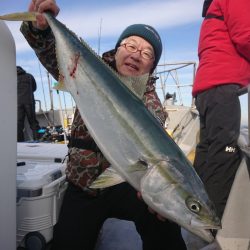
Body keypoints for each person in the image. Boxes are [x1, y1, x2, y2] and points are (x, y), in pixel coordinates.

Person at [20, 1, 187, 250]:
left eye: (146, 53)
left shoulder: (151, 104)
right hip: (83, 183)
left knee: (165, 224)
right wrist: (41, 29)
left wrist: (161, 200)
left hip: (125, 184)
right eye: (131, 45)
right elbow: (49, 52)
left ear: (151, 66)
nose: (135, 54)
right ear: (117, 50)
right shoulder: (84, 68)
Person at [192, 0, 250, 222]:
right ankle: (212, 223)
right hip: (223, 85)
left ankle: (195, 210)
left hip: (207, 88)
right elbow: (246, 36)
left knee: (208, 149)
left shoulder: (214, 9)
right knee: (224, 153)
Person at [17, 65, 40, 142]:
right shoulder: (29, 76)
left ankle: (19, 142)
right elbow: (34, 88)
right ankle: (37, 139)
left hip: (17, 103)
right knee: (33, 122)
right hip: (29, 101)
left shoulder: (12, 78)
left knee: (19, 123)